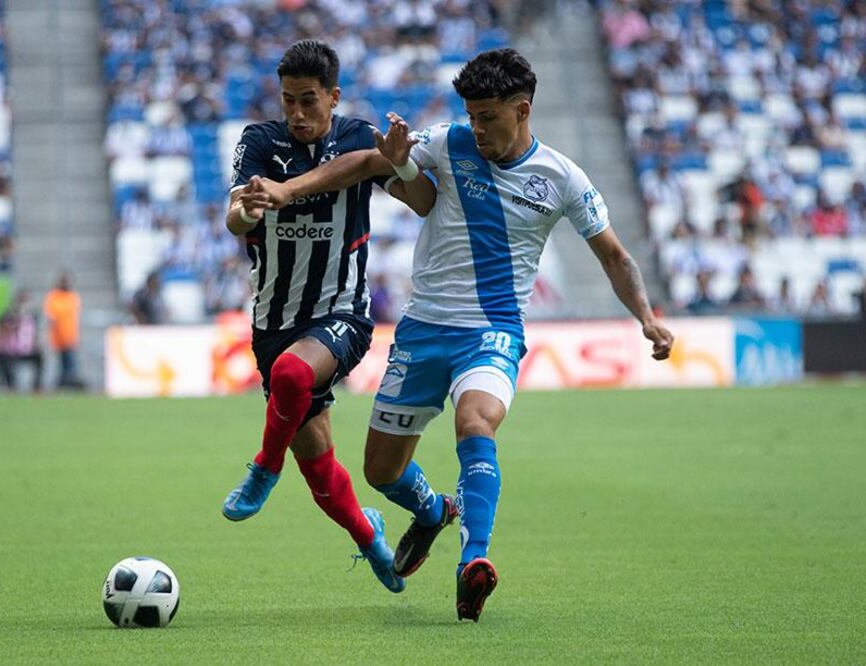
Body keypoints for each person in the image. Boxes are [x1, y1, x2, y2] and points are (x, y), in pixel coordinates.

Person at [242, 48, 675, 621]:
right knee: (381, 471)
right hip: (423, 329)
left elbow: (615, 257)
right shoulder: (448, 140)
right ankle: (431, 511)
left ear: (522, 110)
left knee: (475, 421)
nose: (477, 127)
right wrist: (394, 167)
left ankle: (473, 562)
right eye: (471, 115)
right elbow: (392, 180)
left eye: (488, 117)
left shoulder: (563, 178)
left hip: (493, 330)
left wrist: (645, 317)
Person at [220, 40, 440, 595]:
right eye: (289, 100)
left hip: (342, 314)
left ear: (334, 97)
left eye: (309, 102)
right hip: (272, 324)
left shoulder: (358, 136)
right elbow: (234, 218)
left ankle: (262, 468)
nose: (297, 114)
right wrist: (247, 208)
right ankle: (372, 539)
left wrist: (400, 158)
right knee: (319, 471)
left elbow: (420, 199)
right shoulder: (260, 142)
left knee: (295, 377)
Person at [0, 290, 43, 392]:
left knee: (39, 358)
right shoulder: (8, 316)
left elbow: (33, 334)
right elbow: (0, 332)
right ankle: (10, 385)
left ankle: (36, 386)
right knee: (2, 357)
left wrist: (35, 344)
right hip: (10, 350)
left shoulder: (32, 316)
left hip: (25, 350)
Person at [44, 272, 84, 389]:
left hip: (70, 336)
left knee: (70, 363)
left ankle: (68, 383)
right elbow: (51, 317)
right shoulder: (53, 297)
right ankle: (63, 384)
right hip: (58, 337)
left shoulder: (73, 296)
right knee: (62, 363)